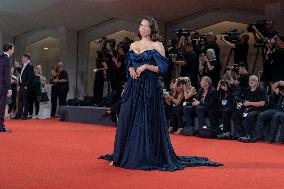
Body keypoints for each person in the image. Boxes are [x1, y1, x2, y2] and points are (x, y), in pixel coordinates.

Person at [99, 16, 222, 171]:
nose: (142, 28)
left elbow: (163, 69)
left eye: (146, 26)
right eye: (141, 25)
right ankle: (120, 155)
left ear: (152, 29)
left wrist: (145, 66)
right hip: (133, 86)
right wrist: (130, 70)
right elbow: (128, 64)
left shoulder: (157, 45)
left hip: (149, 86)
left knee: (144, 118)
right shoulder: (133, 45)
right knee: (126, 117)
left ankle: (142, 155)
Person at [15, 53, 35, 120]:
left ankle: (25, 115)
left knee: (25, 101)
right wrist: (18, 67)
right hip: (22, 86)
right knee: (20, 101)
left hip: (25, 86)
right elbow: (22, 74)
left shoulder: (30, 66)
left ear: (27, 58)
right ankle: (19, 115)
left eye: (23, 57)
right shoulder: (24, 65)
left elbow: (30, 77)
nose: (22, 58)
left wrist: (26, 86)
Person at [0, 43, 14, 132]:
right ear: (9, 49)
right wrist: (9, 88)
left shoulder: (0, 57)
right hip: (2, 86)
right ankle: (0, 126)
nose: (13, 51)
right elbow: (7, 75)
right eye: (13, 49)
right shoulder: (6, 59)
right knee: (1, 106)